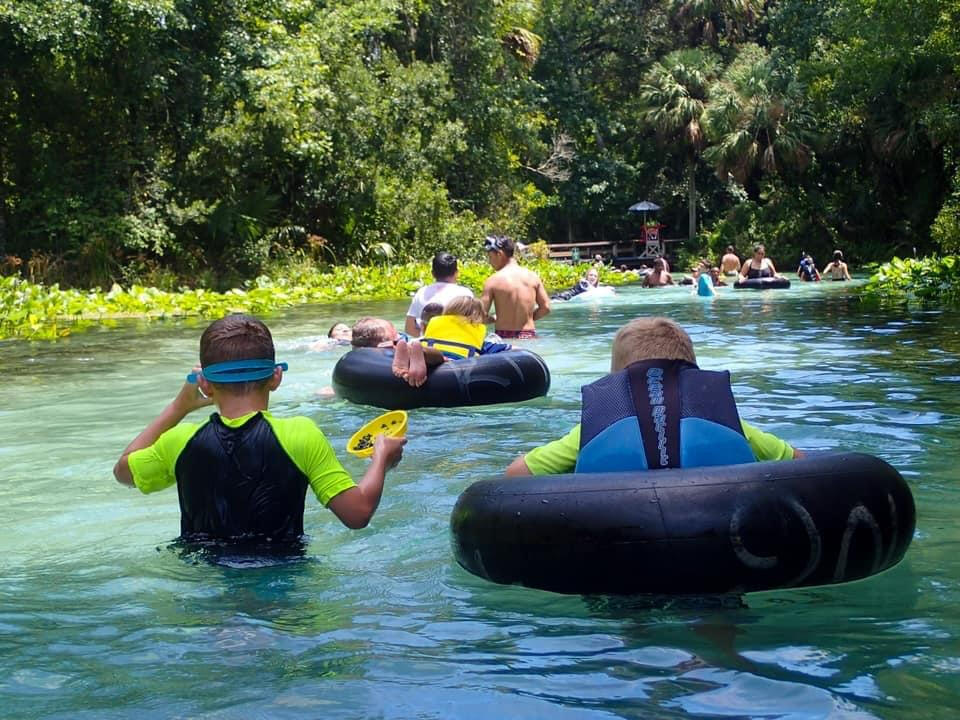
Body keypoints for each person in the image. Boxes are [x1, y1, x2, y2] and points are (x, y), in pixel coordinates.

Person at [113, 314, 406, 541]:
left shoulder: (179, 440)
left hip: (205, 588)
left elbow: (123, 473)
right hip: (283, 594)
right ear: (276, 378)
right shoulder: (301, 434)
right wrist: (381, 458)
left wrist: (178, 408)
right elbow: (357, 514)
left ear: (204, 383)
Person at [505, 316, 801, 477]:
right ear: (691, 375)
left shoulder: (593, 432)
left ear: (619, 382)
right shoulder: (728, 425)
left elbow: (516, 474)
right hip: (721, 546)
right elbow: (801, 465)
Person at [392, 297, 511, 387]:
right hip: (456, 361)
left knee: (434, 353)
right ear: (478, 317)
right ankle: (419, 351)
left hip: (428, 347)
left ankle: (413, 349)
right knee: (440, 358)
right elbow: (507, 350)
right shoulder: (478, 335)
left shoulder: (437, 322)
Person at [481, 235, 550, 339]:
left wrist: (494, 318)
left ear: (499, 254)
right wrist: (528, 318)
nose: (490, 262)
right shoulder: (532, 277)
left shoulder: (492, 281)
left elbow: (481, 316)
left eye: (490, 257)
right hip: (529, 336)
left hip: (504, 337)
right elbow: (546, 308)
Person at [405, 252, 474, 336]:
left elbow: (409, 328)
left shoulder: (421, 292)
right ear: (456, 273)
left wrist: (428, 337)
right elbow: (473, 325)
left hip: (427, 344)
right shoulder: (465, 294)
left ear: (433, 273)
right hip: (456, 345)